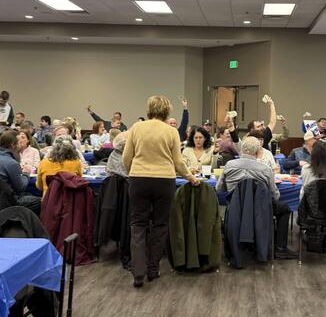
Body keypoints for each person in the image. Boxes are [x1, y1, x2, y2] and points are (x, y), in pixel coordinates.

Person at [122, 95, 199, 288]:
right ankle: (153, 269)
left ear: (149, 109)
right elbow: (178, 162)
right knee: (159, 225)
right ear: (167, 111)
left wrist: (133, 171)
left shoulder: (136, 128)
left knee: (138, 225)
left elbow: (126, 157)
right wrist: (190, 177)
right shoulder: (171, 131)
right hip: (164, 181)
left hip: (138, 178)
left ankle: (138, 272)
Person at [215, 136, 295, 260]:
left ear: (242, 150)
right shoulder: (265, 169)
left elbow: (219, 189)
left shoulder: (229, 165)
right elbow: (275, 195)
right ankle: (280, 248)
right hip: (260, 210)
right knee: (284, 208)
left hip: (236, 209)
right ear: (258, 151)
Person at [0, 130, 41, 213]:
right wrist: (26, 173)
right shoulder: (11, 163)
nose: (20, 145)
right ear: (13, 145)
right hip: (8, 201)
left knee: (29, 195)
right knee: (43, 200)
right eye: (18, 143)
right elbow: (21, 187)